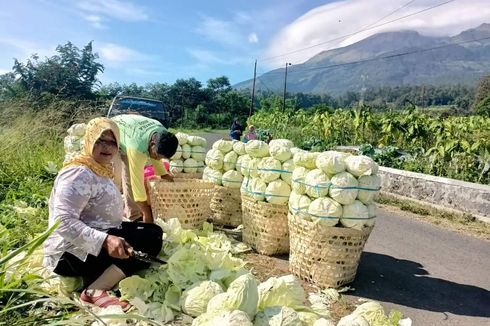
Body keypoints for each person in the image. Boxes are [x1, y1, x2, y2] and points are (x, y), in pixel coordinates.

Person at [44, 117, 163, 310]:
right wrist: (105, 240)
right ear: (89, 140)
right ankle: (95, 290)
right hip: (70, 253)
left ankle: (101, 273)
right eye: (100, 140)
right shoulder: (78, 173)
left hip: (97, 236)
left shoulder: (99, 169)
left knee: (152, 232)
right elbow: (62, 221)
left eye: (112, 142)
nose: (106, 147)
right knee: (148, 242)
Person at [111, 114, 178, 223]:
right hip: (113, 132)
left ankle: (133, 215)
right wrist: (146, 211)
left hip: (130, 132)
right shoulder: (137, 147)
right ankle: (108, 213)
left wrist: (164, 174)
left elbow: (157, 158)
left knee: (127, 177)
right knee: (115, 178)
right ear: (152, 143)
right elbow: (136, 182)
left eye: (161, 157)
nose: (157, 158)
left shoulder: (162, 133)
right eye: (156, 155)